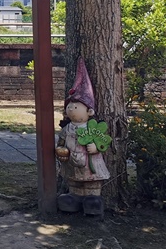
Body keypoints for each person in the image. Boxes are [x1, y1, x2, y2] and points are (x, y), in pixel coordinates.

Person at [55, 57, 110, 216]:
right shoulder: (67, 128)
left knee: (91, 183)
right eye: (69, 106)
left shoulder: (92, 128)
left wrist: (96, 148)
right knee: (74, 182)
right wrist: (61, 150)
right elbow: (61, 142)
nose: (71, 109)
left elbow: (102, 142)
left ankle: (92, 199)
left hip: (89, 162)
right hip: (72, 162)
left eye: (76, 106)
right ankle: (75, 198)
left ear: (89, 111)